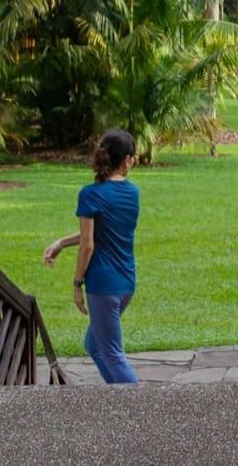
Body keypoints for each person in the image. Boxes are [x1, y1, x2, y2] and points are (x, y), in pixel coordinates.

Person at [42, 130, 142, 384]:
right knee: (95, 346)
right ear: (127, 160)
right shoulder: (132, 193)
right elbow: (101, 231)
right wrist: (62, 243)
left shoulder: (91, 194)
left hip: (103, 286)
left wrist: (77, 284)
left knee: (112, 353)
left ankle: (140, 408)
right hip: (125, 284)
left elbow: (88, 246)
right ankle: (118, 398)